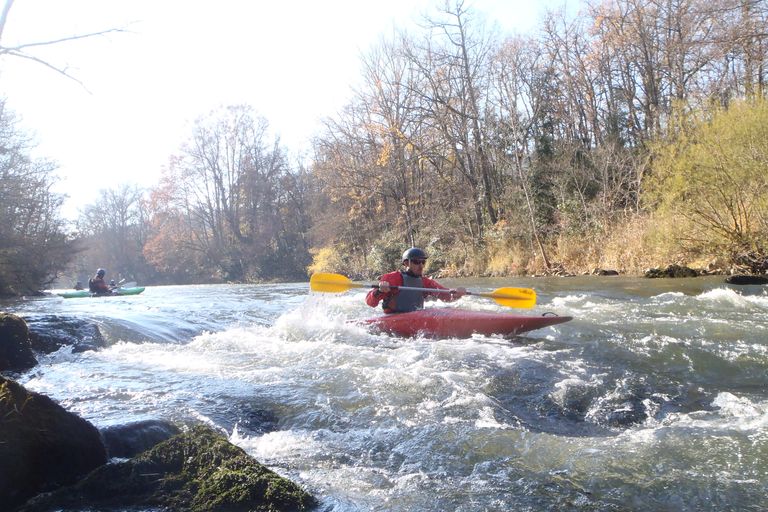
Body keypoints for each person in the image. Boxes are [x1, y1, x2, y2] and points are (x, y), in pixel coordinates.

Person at [366, 247, 466, 314]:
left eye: (423, 262)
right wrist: (379, 291)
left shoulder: (425, 282)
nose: (421, 265)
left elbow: (446, 296)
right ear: (406, 263)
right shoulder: (392, 278)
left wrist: (457, 293)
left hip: (416, 317)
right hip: (393, 317)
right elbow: (370, 302)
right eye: (416, 262)